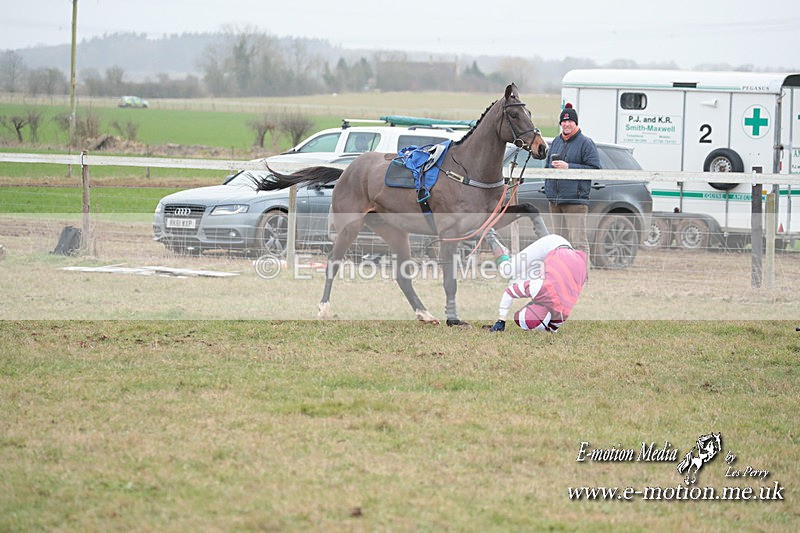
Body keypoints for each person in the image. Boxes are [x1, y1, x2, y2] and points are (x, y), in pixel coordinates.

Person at [484, 229, 588, 332]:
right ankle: (491, 237)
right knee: (506, 271)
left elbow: (551, 329)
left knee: (516, 282)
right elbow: (509, 292)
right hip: (553, 244)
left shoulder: (562, 314)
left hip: (572, 261)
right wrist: (501, 321)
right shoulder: (539, 289)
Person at [545, 103, 600, 265]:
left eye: (570, 121)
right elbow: (547, 167)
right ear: (560, 123)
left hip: (575, 201)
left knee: (578, 242)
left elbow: (595, 169)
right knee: (558, 242)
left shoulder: (586, 143)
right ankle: (562, 274)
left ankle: (583, 275)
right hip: (554, 201)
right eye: (563, 121)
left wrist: (569, 167)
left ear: (576, 123)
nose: (566, 124)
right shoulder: (555, 141)